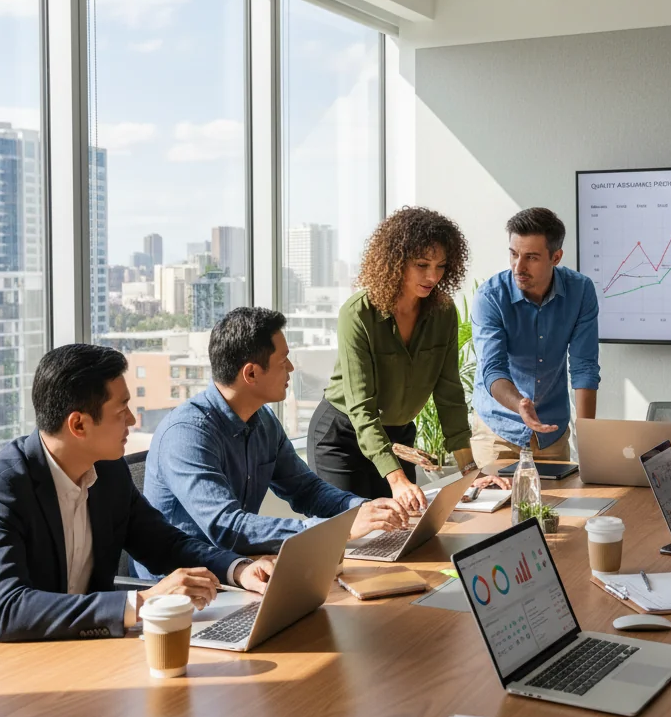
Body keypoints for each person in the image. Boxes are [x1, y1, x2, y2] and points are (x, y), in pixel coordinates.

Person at [0, 345, 273, 653]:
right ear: (78, 424)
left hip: (86, 648)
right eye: (121, 409)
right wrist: (144, 602)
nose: (132, 419)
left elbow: (165, 544)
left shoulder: (108, 471)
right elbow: (7, 610)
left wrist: (238, 569)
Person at [138, 307, 410, 571]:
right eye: (283, 361)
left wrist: (362, 508)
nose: (291, 368)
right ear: (251, 373)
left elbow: (306, 490)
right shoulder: (186, 434)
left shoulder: (263, 420)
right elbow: (228, 527)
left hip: (242, 571)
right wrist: (339, 528)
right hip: (183, 587)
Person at [308, 207, 508, 506]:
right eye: (422, 264)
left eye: (441, 266)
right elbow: (362, 407)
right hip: (343, 437)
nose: (433, 276)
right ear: (396, 261)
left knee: (404, 526)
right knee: (350, 528)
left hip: (398, 438)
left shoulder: (443, 313)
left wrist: (470, 471)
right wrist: (396, 478)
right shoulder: (358, 313)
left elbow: (449, 394)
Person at [470, 207, 600, 467]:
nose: (519, 267)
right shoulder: (490, 297)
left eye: (531, 257)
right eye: (514, 254)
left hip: (551, 432)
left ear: (556, 257)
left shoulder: (580, 291)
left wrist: (588, 440)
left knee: (559, 496)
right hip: (498, 430)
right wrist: (519, 404)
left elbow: (584, 366)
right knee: (494, 495)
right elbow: (493, 369)